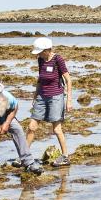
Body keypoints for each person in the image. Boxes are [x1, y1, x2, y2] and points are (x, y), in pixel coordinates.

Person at [26, 37, 72, 167]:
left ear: (47, 50)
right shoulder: (40, 59)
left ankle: (65, 157)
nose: (39, 54)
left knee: (57, 129)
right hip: (41, 96)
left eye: (40, 52)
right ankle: (24, 156)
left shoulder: (58, 59)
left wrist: (68, 100)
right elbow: (40, 79)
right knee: (31, 127)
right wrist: (35, 96)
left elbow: (69, 80)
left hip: (56, 97)